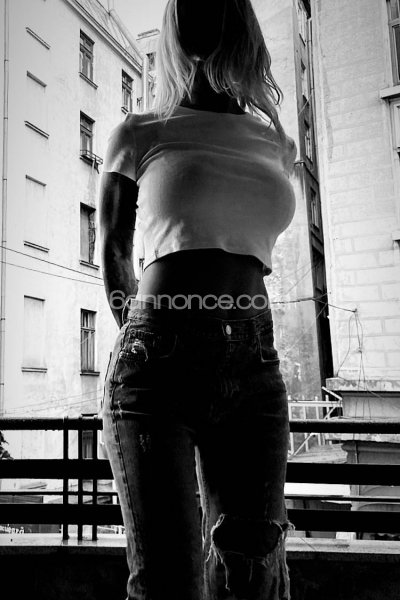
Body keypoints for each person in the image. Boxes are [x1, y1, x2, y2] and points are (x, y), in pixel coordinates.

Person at [100, 0, 297, 598]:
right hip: (156, 364)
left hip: (255, 366)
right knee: (169, 582)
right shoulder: (141, 131)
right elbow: (113, 250)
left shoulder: (275, 142)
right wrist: (146, 336)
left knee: (252, 576)